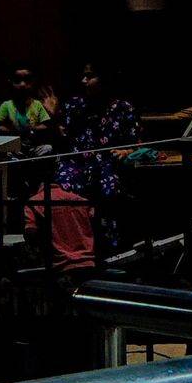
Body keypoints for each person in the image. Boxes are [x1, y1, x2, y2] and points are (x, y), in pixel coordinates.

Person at [48, 59, 139, 253]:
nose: (84, 81)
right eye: (83, 76)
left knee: (110, 187)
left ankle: (112, 249)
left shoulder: (123, 108)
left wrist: (127, 151)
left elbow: (135, 143)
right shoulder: (74, 105)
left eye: (89, 76)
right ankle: (72, 249)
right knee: (63, 188)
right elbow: (61, 139)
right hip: (77, 163)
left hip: (108, 164)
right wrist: (54, 115)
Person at [23, 162, 96, 285]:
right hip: (89, 264)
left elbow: (31, 232)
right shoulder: (80, 200)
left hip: (60, 268)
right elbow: (97, 226)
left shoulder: (34, 203)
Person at [0, 66, 53, 147]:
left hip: (33, 145)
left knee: (47, 148)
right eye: (17, 80)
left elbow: (46, 125)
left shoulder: (37, 104)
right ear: (10, 82)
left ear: (33, 82)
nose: (22, 84)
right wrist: (12, 131)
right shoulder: (6, 105)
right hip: (14, 146)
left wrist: (32, 129)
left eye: (27, 80)